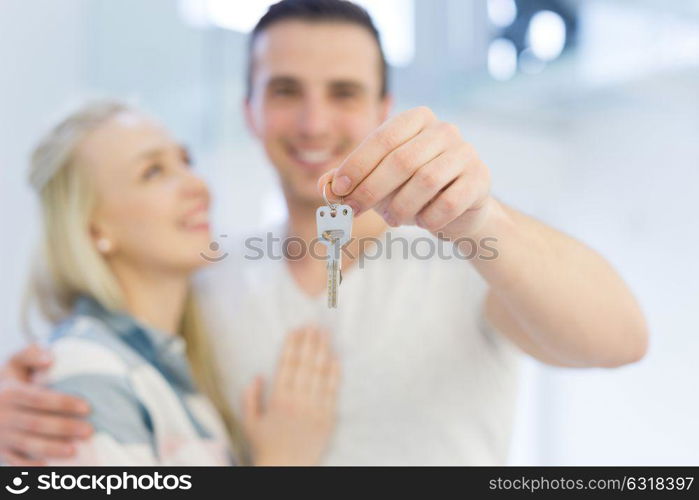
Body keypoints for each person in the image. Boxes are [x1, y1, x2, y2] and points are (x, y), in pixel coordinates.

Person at [0, 0, 648, 465]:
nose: (313, 122)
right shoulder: (203, 283)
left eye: (343, 92)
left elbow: (619, 339)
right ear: (249, 110)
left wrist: (478, 217)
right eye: (285, 91)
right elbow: (116, 364)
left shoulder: (463, 258)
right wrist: (21, 398)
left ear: (380, 111)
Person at [6, 101, 339, 466]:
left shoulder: (173, 376)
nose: (196, 185)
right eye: (153, 172)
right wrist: (282, 462)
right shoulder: (85, 370)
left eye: (185, 161)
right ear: (93, 228)